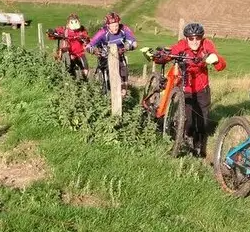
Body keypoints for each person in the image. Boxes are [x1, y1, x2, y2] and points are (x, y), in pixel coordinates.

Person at [144, 22, 227, 158]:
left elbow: (221, 65)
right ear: (186, 38)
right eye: (191, 38)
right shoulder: (182, 45)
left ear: (201, 38)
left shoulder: (207, 45)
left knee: (203, 120)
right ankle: (186, 139)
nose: (194, 41)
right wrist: (156, 57)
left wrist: (216, 60)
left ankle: (200, 148)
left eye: (197, 38)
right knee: (188, 120)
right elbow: (169, 54)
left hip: (202, 87)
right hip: (186, 87)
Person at [87, 11, 138, 89]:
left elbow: (134, 43)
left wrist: (128, 47)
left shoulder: (124, 29)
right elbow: (89, 46)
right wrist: (94, 50)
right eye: (113, 26)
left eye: (116, 25)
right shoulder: (102, 32)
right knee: (107, 78)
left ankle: (123, 93)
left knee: (124, 78)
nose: (115, 28)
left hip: (119, 55)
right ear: (108, 25)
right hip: (105, 56)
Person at [51, 14, 90, 80]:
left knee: (85, 68)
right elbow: (55, 32)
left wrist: (84, 38)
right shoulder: (65, 30)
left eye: (76, 21)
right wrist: (52, 32)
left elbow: (87, 39)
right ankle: (70, 81)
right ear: (68, 23)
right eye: (72, 22)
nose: (74, 24)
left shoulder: (81, 30)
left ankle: (85, 81)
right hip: (69, 53)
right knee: (69, 68)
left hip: (80, 53)